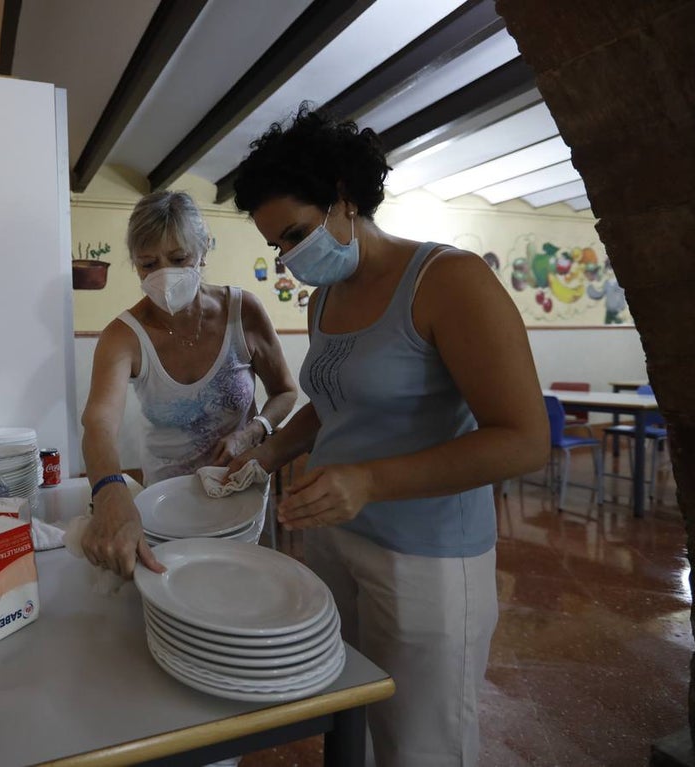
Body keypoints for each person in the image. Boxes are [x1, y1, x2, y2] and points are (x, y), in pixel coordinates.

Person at [226, 106, 549, 766]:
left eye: (295, 234)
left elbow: (523, 439)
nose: (289, 259)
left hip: (425, 555)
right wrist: (267, 451)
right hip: (337, 538)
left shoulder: (448, 282)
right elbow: (336, 404)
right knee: (351, 723)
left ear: (345, 198)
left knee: (421, 741)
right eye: (277, 246)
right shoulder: (327, 298)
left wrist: (369, 480)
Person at [81, 191, 298, 579]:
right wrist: (109, 490)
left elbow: (285, 392)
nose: (164, 273)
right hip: (167, 505)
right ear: (135, 266)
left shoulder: (242, 312)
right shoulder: (123, 336)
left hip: (240, 492)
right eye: (149, 264)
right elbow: (99, 423)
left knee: (242, 589)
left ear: (202, 252)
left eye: (179, 259)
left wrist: (253, 432)